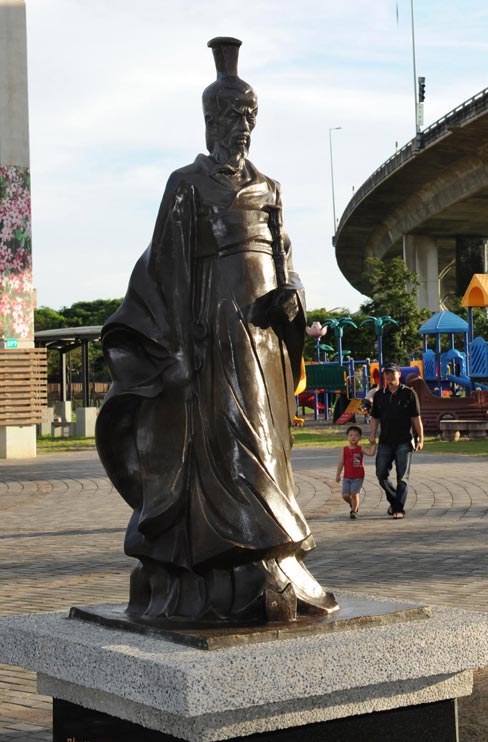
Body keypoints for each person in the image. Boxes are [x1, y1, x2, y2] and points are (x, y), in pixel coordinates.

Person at [95, 37, 337, 624]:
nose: (240, 129)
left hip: (261, 340)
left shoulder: (270, 189)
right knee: (222, 442)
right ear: (209, 123)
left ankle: (273, 560)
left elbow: (283, 259)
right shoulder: (187, 185)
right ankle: (218, 565)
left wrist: (295, 297)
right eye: (230, 118)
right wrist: (171, 347)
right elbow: (166, 266)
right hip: (207, 336)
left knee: (264, 442)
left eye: (247, 119)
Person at [368, 363, 424, 520]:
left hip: (404, 441)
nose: (389, 376)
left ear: (399, 374)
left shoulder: (409, 393)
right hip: (385, 441)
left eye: (392, 373)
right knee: (380, 474)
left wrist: (420, 438)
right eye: (387, 373)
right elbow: (375, 417)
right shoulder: (379, 395)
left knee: (402, 477)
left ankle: (399, 509)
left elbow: (416, 417)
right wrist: (372, 434)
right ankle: (394, 501)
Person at [335, 425, 376, 519]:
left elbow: (371, 453)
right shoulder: (344, 449)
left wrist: (373, 444)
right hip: (347, 476)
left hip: (358, 476)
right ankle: (353, 504)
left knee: (354, 494)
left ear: (360, 438)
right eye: (351, 435)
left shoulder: (360, 448)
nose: (353, 437)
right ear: (347, 437)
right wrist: (338, 475)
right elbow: (341, 463)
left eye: (356, 435)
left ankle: (354, 511)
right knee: (345, 495)